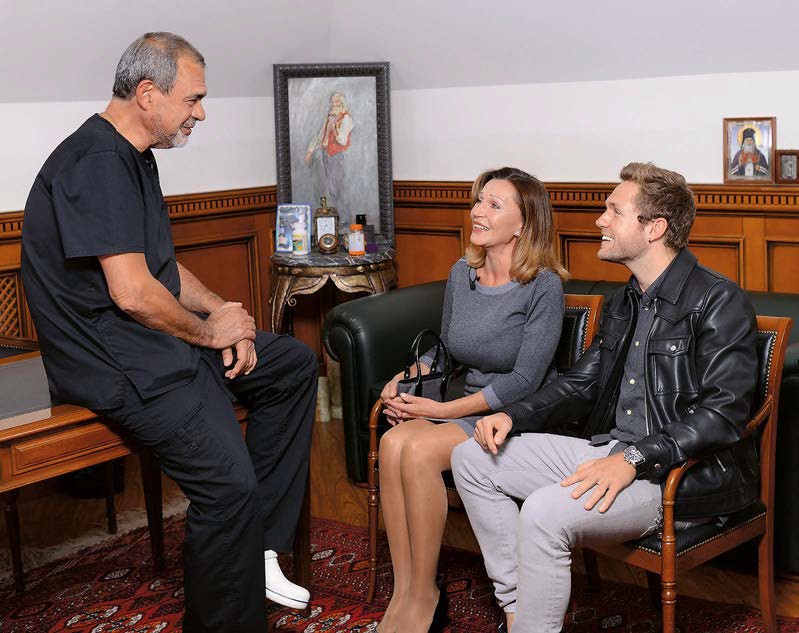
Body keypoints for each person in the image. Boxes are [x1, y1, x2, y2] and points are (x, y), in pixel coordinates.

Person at [20, 33, 316, 633]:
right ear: (148, 93)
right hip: (113, 364)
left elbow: (161, 271)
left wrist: (224, 314)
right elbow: (132, 293)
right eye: (193, 99)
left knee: (290, 366)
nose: (200, 113)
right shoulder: (95, 163)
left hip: (149, 343)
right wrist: (211, 335)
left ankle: (258, 549)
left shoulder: (134, 154)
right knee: (228, 487)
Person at [452, 162, 760, 633]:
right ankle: (519, 611)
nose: (600, 220)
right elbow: (582, 383)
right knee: (472, 456)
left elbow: (722, 416)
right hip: (611, 452)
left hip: (675, 477)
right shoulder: (626, 300)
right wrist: (511, 415)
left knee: (542, 512)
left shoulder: (719, 300)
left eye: (614, 211)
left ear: (654, 228)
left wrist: (634, 458)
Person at [377, 167, 569, 633]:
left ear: (523, 223)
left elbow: (526, 380)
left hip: (514, 417)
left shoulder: (544, 285)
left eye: (494, 205)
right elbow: (446, 350)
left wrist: (441, 411)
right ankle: (407, 594)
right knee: (392, 443)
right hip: (464, 407)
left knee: (417, 450)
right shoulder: (462, 273)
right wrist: (406, 377)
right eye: (479, 200)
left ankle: (423, 597)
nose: (478, 211)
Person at [304, 92, 354, 214]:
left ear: (341, 104)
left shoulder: (346, 119)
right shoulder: (330, 117)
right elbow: (320, 135)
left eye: (336, 102)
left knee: (339, 188)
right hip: (326, 154)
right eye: (332, 102)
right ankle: (339, 215)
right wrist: (310, 150)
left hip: (339, 155)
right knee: (331, 188)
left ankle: (345, 217)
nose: (333, 104)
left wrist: (334, 128)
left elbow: (342, 140)